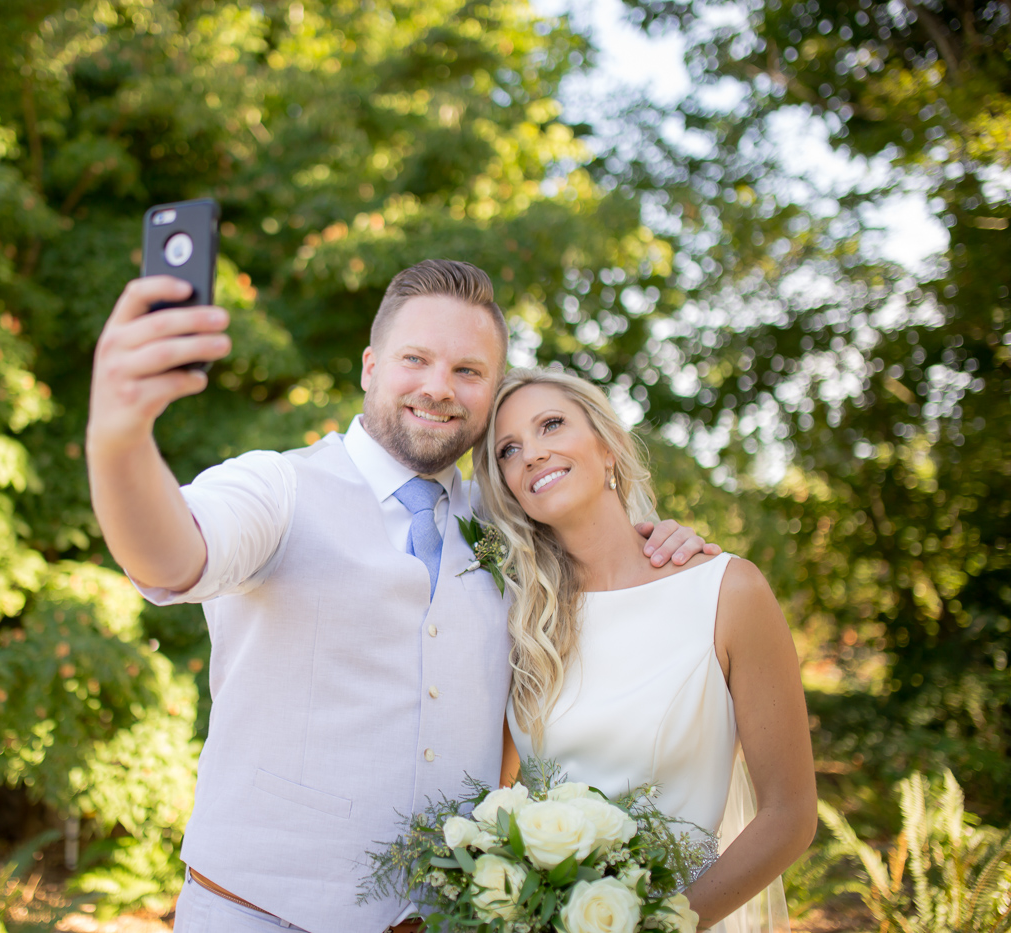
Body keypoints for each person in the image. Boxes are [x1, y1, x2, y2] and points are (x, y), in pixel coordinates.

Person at [86, 260, 718, 933]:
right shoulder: (278, 488)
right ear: (370, 367)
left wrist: (659, 543)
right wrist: (119, 437)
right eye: (415, 358)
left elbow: (605, 572)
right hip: (256, 913)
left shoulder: (510, 525)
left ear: (491, 391)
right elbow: (171, 551)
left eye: (469, 372)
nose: (438, 387)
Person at [479, 367, 818, 933]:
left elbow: (790, 815)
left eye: (552, 425)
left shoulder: (727, 591)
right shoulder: (518, 617)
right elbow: (495, 789)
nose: (531, 454)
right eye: (508, 450)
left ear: (608, 446)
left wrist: (661, 923)